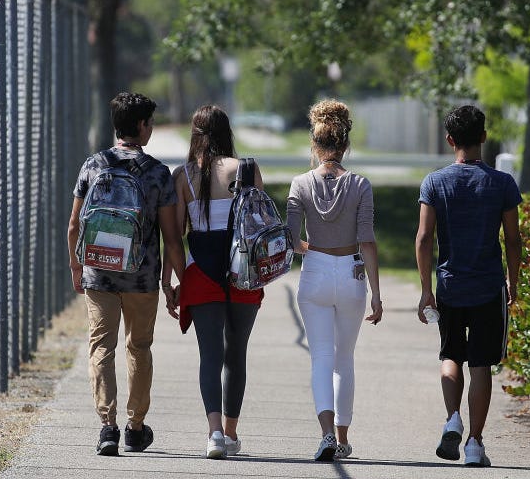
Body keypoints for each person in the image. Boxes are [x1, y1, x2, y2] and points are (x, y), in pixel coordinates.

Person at [67, 92, 186, 456]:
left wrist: (76, 268)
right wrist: (173, 282)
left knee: (101, 346)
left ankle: (107, 427)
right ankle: (135, 428)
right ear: (141, 126)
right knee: (139, 347)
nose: (151, 128)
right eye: (150, 122)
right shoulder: (157, 173)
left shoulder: (94, 164)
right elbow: (171, 237)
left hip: (99, 273)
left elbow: (74, 226)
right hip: (141, 276)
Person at [415, 104, 522, 468]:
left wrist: (426, 289)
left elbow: (424, 237)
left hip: (448, 285)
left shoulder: (434, 183)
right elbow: (513, 239)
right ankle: (475, 444)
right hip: (489, 287)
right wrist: (513, 280)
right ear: (484, 137)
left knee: (449, 356)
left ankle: (452, 419)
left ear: (449, 140)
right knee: (481, 365)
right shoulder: (502, 183)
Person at [163, 105, 265, 459]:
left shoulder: (184, 176)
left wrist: (177, 279)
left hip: (201, 270)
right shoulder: (247, 170)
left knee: (210, 355)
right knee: (236, 354)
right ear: (227, 132)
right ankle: (233, 433)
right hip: (243, 272)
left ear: (195, 134)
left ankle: (215, 434)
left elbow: (174, 238)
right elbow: (260, 227)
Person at [286, 99, 383, 461]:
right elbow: (367, 241)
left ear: (315, 144)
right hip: (352, 273)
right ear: (345, 145)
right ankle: (342, 437)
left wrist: (312, 246)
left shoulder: (300, 184)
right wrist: (376, 293)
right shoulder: (360, 185)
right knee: (345, 359)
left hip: (315, 273)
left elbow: (292, 240)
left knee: (321, 358)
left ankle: (325, 433)